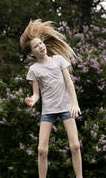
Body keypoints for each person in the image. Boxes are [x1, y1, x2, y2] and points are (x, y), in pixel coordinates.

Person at [20, 19, 83, 178]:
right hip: (48, 110)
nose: (40, 46)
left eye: (41, 43)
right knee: (41, 150)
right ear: (31, 53)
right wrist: (32, 100)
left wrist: (75, 104)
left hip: (66, 107)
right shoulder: (34, 69)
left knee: (75, 146)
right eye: (36, 46)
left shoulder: (58, 60)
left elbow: (69, 83)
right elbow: (36, 94)